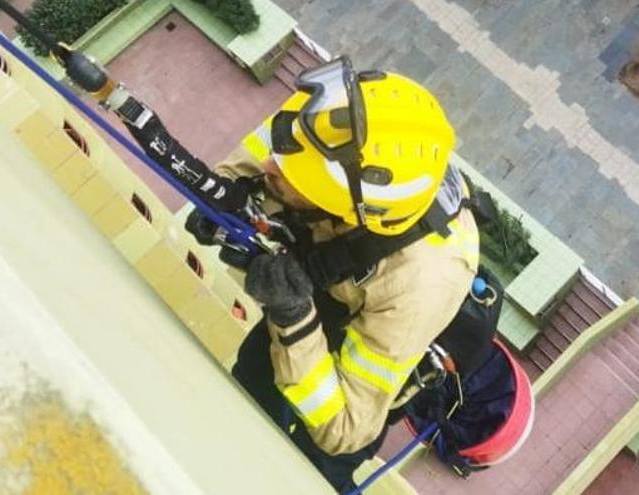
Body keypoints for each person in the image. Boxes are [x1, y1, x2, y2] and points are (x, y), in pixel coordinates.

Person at [108, 56, 479, 492]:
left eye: (293, 176)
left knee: (308, 466)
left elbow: (344, 427)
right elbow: (269, 157)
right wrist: (232, 188)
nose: (271, 168)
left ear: (344, 207)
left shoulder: (420, 282)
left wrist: (293, 316)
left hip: (358, 368)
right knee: (251, 377)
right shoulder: (336, 127)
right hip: (328, 288)